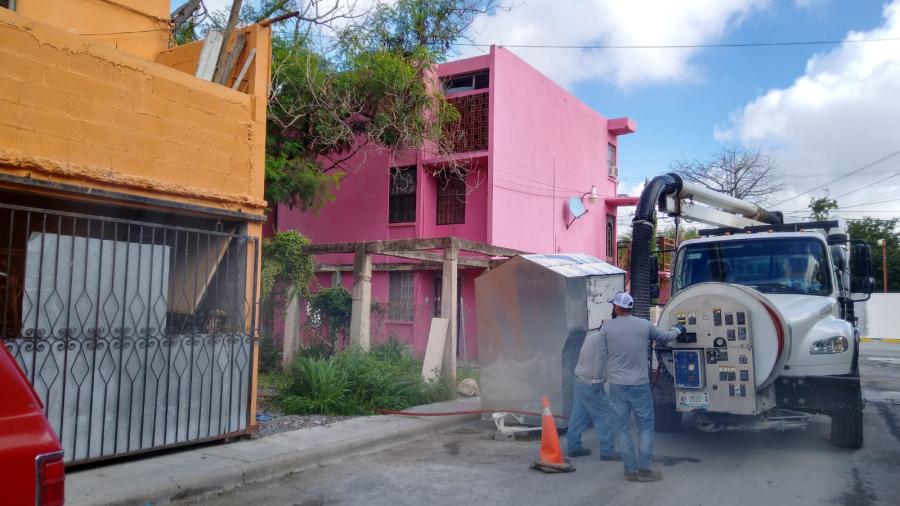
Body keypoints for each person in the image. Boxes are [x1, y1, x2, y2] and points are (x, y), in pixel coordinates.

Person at [598, 292, 686, 483]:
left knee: (621, 428)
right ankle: (645, 470)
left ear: (617, 308)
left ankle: (629, 470)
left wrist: (600, 378)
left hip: (617, 386)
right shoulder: (644, 325)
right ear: (630, 307)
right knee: (645, 426)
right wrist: (679, 329)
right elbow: (666, 337)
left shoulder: (606, 328)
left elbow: (602, 355)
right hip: (639, 385)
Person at [565, 328, 620, 461]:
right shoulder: (605, 341)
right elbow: (600, 361)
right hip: (591, 384)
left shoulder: (591, 337)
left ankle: (574, 447)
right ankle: (608, 451)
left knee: (579, 416)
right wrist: (597, 381)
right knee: (605, 416)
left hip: (579, 380)